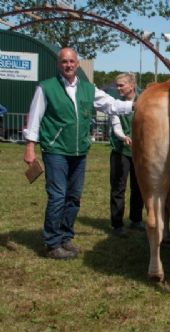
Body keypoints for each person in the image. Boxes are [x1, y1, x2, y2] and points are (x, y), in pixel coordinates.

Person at [23, 47, 134, 260]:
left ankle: (65, 236)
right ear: (59, 64)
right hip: (56, 150)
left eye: (72, 61)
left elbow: (111, 105)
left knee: (74, 197)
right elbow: (35, 118)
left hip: (79, 152)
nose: (68, 65)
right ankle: (52, 242)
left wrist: (136, 105)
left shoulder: (88, 89)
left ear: (77, 64)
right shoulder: (46, 88)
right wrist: (30, 147)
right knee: (57, 196)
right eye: (64, 61)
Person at [109, 73, 145, 237]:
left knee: (138, 187)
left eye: (121, 85)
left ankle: (136, 220)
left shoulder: (144, 100)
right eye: (117, 85)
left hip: (140, 153)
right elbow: (116, 126)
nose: (118, 89)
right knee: (118, 188)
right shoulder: (115, 104)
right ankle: (117, 224)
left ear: (132, 85)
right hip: (120, 151)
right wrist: (123, 137)